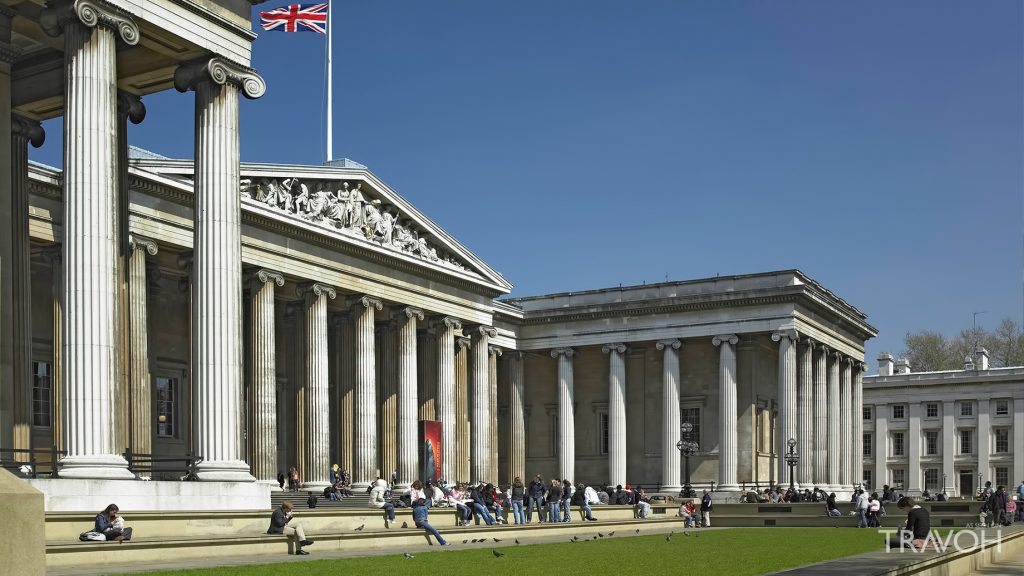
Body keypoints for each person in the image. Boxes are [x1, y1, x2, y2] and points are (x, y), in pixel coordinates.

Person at [409, 480, 449, 546]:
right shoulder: (413, 493)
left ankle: (441, 542)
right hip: (420, 518)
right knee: (433, 530)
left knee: (430, 528)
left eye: (418, 486)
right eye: (415, 486)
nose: (416, 487)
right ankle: (443, 542)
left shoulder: (419, 504)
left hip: (420, 518)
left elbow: (416, 516)